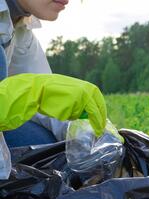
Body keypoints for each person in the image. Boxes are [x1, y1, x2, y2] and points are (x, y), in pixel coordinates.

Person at [0, 0, 106, 148]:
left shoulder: (20, 27)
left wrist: (97, 136)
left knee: (50, 144)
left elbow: (49, 109)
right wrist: (33, 92)